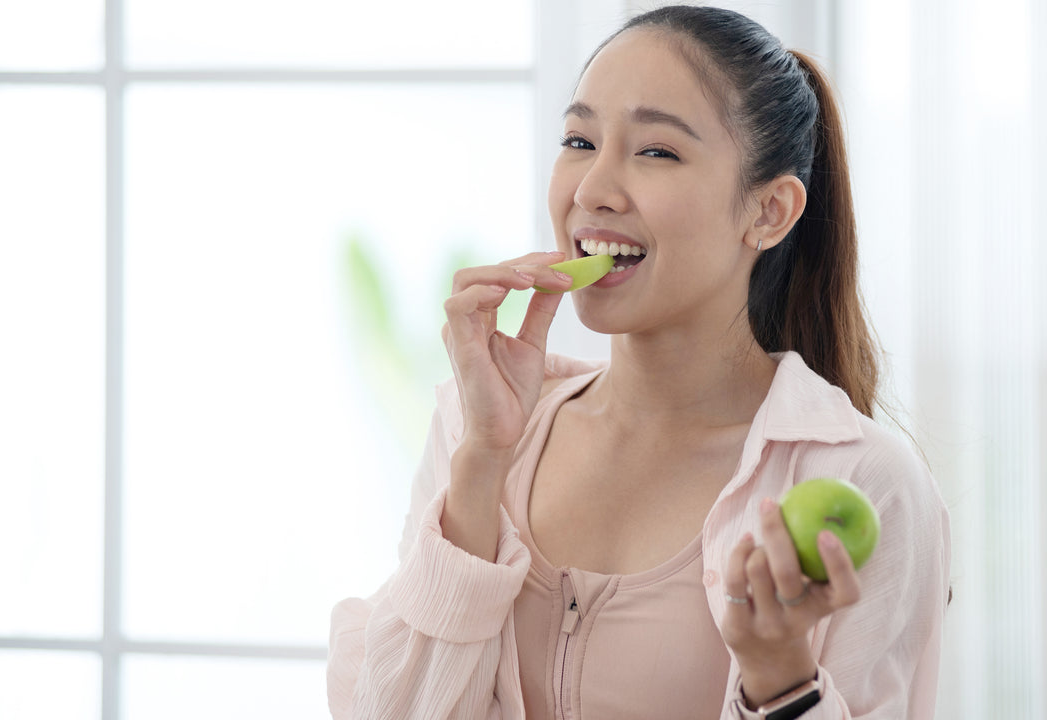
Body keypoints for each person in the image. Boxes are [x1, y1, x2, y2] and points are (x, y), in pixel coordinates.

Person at [327, 5, 951, 719]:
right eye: (579, 139)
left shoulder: (863, 481)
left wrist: (781, 684)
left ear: (770, 212)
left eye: (655, 151)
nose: (591, 189)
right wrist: (482, 461)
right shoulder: (483, 431)